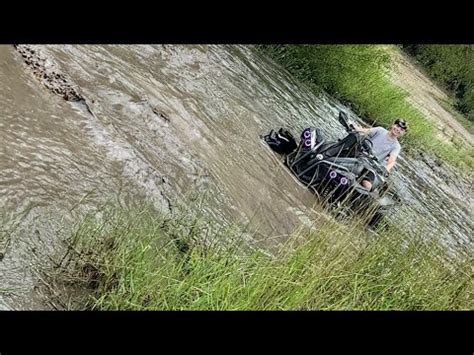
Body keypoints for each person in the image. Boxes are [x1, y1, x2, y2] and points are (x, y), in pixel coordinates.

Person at [353, 118, 408, 190]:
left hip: (371, 166)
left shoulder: (396, 146)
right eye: (397, 126)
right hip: (359, 155)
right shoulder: (380, 130)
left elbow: (392, 161)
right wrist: (353, 127)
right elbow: (365, 131)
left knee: (367, 185)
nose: (398, 129)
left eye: (401, 129)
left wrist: (387, 169)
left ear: (403, 133)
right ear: (393, 125)